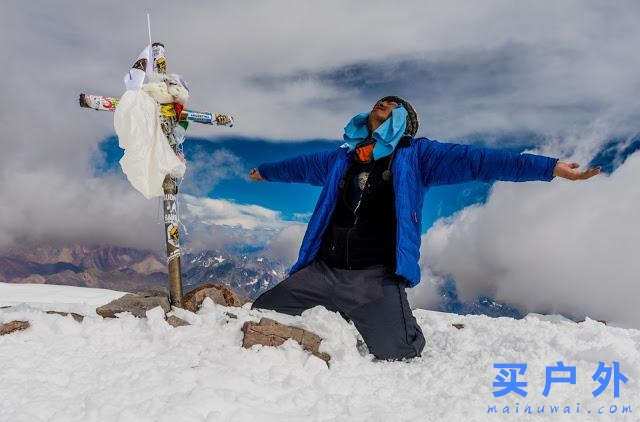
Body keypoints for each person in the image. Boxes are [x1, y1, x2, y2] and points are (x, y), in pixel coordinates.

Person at [248, 96, 600, 360]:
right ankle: (340, 309)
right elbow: (299, 166)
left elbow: (480, 161)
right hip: (321, 271)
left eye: (392, 105)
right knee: (259, 312)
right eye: (378, 102)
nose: (381, 104)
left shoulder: (418, 157)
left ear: (405, 122)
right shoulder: (342, 158)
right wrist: (264, 171)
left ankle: (391, 319)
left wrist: (550, 167)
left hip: (374, 278)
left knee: (400, 353)